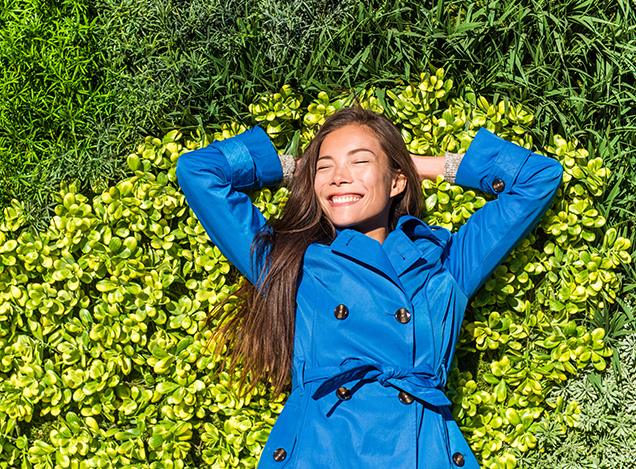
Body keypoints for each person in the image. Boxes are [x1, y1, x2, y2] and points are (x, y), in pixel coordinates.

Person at [175, 106, 564, 468]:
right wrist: (297, 168)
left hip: (421, 449)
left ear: (396, 181)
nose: (338, 176)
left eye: (359, 162)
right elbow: (198, 171)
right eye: (325, 167)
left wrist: (421, 166)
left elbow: (538, 178)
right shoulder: (290, 263)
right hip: (318, 450)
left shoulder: (444, 264)